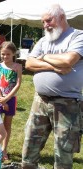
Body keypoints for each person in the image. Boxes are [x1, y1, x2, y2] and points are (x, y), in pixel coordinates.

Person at [22, 4, 83, 169]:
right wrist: (54, 66)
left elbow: (68, 61)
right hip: (40, 101)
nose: (45, 25)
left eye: (48, 20)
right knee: (29, 147)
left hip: (67, 104)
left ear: (62, 17)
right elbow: (28, 63)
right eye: (43, 22)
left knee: (63, 153)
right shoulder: (43, 40)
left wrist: (44, 57)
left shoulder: (78, 37)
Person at [0, 41, 22, 161]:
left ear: (13, 54)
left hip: (10, 99)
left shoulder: (17, 67)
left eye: (8, 54)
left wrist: (7, 99)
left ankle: (4, 149)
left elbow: (18, 84)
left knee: (7, 125)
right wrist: (1, 99)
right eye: (3, 54)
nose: (5, 57)